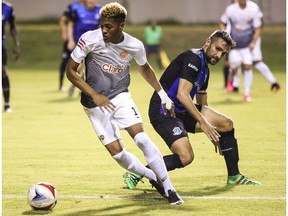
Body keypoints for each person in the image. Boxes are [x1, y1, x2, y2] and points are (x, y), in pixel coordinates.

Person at [66, 2, 183, 205]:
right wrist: (94, 94)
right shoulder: (89, 39)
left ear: (122, 25)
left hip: (120, 96)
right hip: (93, 105)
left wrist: (162, 93)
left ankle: (170, 188)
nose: (103, 30)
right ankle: (153, 176)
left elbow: (145, 68)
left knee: (142, 139)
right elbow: (71, 71)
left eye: (108, 26)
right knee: (119, 155)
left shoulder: (134, 45)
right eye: (102, 25)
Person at [123, 30, 261, 190]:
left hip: (182, 111)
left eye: (223, 53)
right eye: (218, 48)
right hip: (164, 111)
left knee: (226, 124)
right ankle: (137, 172)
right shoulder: (193, 58)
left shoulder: (205, 71)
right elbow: (182, 94)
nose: (218, 55)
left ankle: (234, 176)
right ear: (208, 41)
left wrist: (213, 131)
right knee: (186, 156)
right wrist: (203, 123)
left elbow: (203, 104)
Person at [220, 0, 262, 102]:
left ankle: (247, 94)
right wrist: (226, 37)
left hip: (247, 47)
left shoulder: (253, 8)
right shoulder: (231, 10)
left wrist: (253, 42)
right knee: (234, 68)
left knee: (247, 67)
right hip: (234, 46)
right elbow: (222, 23)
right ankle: (231, 79)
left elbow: (258, 28)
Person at [67, 0, 102, 97]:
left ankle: (80, 87)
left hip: (93, 45)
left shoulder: (100, 12)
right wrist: (70, 40)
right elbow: (70, 25)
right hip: (80, 44)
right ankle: (76, 84)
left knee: (89, 68)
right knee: (78, 67)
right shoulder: (78, 11)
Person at [58, 0, 85, 91]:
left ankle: (78, 85)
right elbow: (63, 20)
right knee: (65, 61)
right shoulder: (73, 6)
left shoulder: (91, 7)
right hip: (72, 39)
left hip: (83, 41)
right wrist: (64, 33)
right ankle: (61, 85)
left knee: (82, 63)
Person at [2, 0, 20, 113]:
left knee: (3, 71)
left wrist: (17, 44)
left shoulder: (7, 8)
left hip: (1, 46)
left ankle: (7, 103)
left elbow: (12, 27)